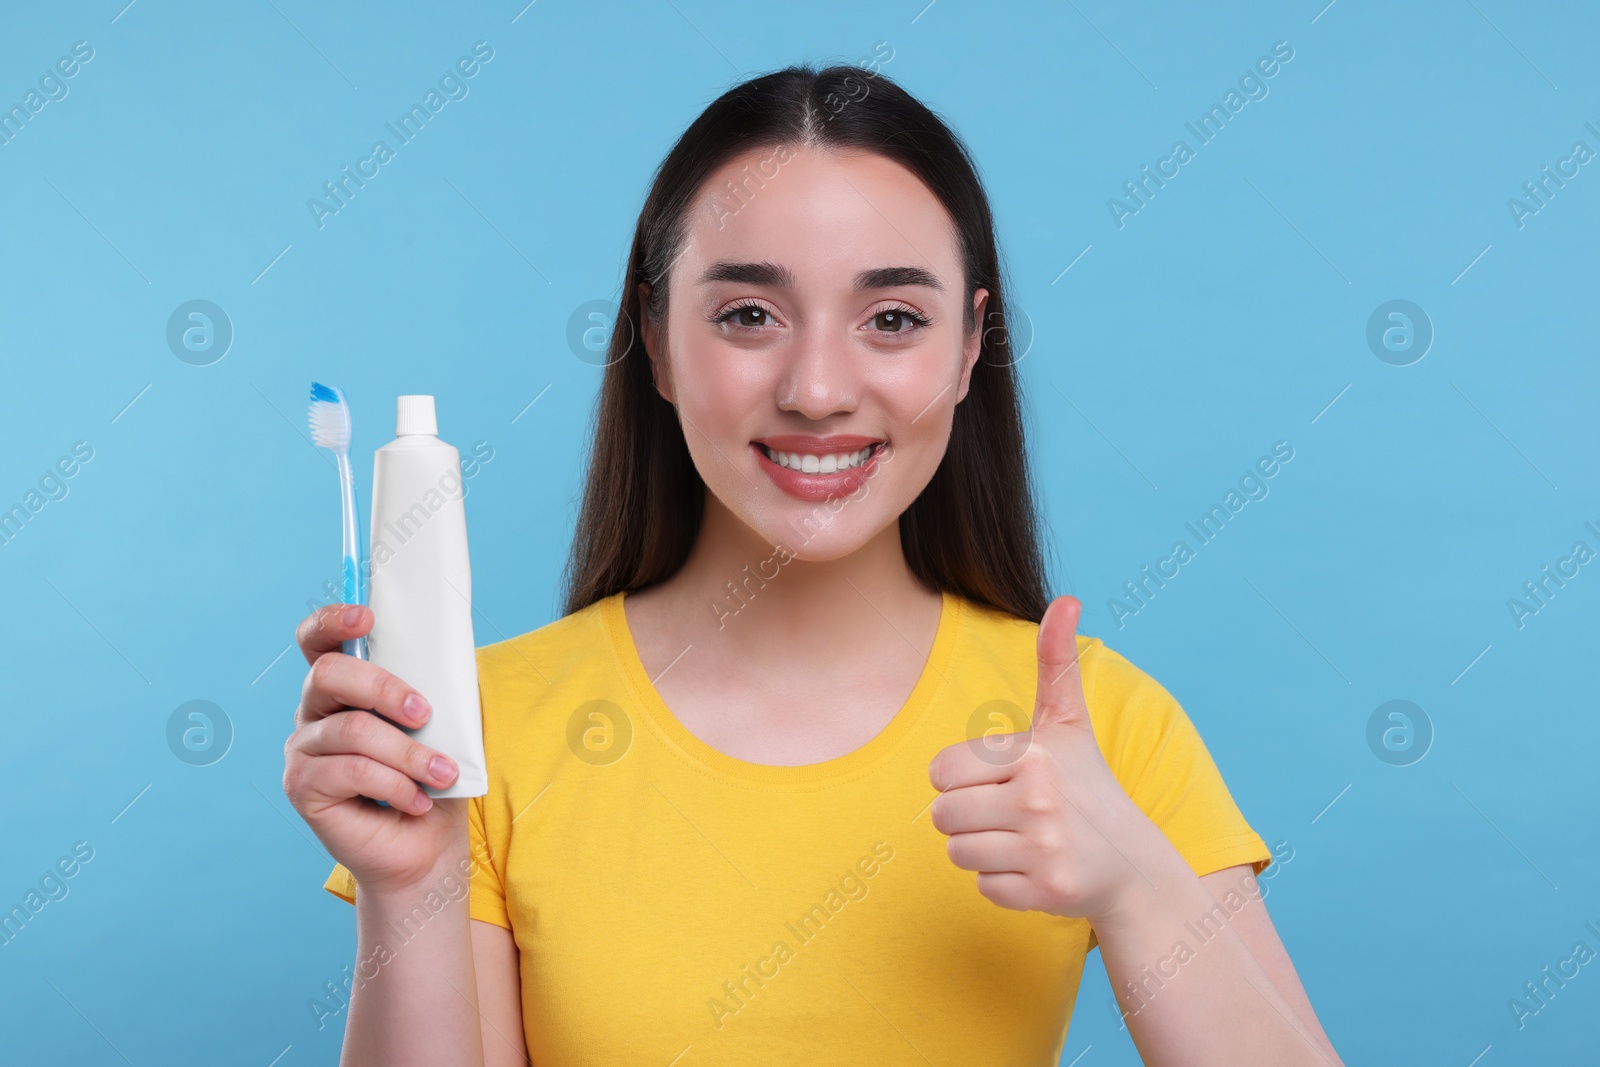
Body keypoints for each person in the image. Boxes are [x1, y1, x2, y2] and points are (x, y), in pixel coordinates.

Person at [283, 61, 1344, 1066]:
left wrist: (1144, 889)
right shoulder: (478, 735)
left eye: (892, 318)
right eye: (749, 314)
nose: (819, 388)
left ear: (972, 346)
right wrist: (409, 889)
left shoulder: (1098, 730)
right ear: (654, 337)